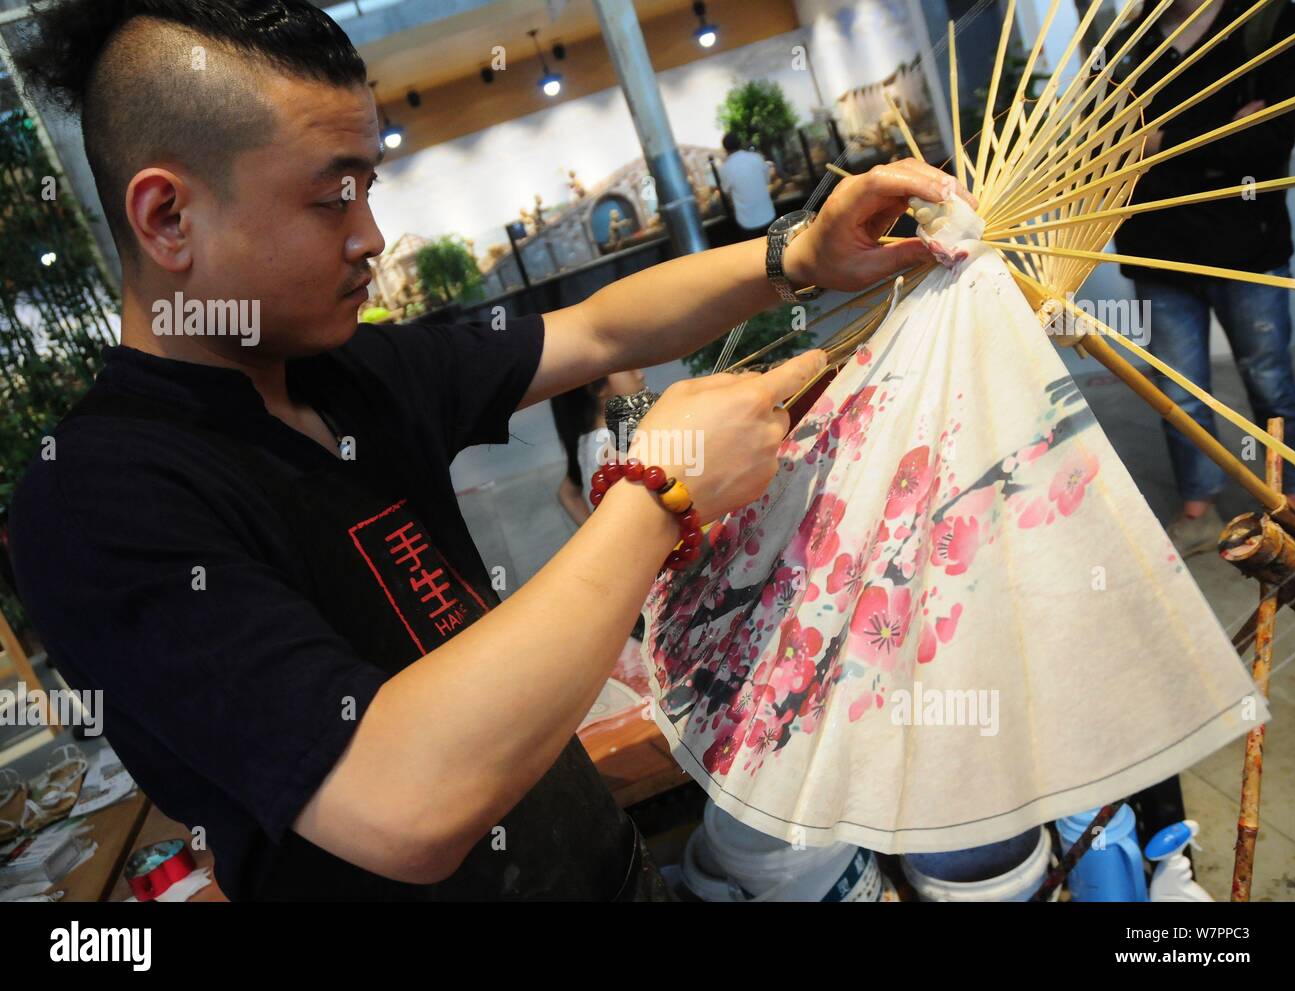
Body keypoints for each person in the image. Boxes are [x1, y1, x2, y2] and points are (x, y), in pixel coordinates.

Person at [7, 0, 968, 900]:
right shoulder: (99, 497)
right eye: (327, 202)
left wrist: (797, 257)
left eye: (367, 191)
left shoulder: (343, 366)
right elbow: (402, 802)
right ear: (168, 217)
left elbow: (593, 330)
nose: (370, 237)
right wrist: (658, 489)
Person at [1113, 0, 1295, 555]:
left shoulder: (1267, 21)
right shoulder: (1131, 42)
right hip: (1156, 248)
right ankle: (1197, 499)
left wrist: (1165, 141)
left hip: (1248, 242)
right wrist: (1226, 128)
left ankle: (1288, 490)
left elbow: (1268, 141)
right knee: (1176, 388)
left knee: (1267, 376)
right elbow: (1113, 143)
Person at [551, 370, 647, 525]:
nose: (640, 375)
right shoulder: (618, 448)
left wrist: (593, 533)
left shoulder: (588, 442)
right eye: (628, 369)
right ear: (596, 388)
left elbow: (567, 492)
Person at [718, 131, 779, 240]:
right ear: (740, 143)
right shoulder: (757, 157)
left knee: (755, 254)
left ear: (725, 149)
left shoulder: (724, 168)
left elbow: (726, 192)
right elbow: (767, 180)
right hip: (768, 215)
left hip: (747, 222)